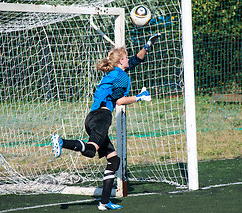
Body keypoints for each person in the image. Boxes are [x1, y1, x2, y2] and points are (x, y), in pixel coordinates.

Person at [51, 33, 161, 211]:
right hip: (102, 117)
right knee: (91, 150)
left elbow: (137, 60)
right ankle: (62, 142)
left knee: (113, 159)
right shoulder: (122, 77)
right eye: (125, 58)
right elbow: (119, 101)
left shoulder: (116, 72)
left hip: (93, 118)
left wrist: (147, 47)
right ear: (120, 62)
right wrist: (140, 97)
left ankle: (104, 202)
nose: (128, 60)